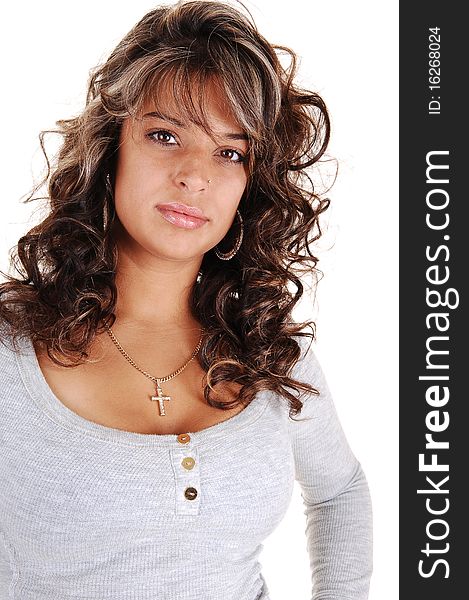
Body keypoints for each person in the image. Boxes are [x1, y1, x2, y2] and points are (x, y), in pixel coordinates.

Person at [0, 1, 373, 598]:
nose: (195, 175)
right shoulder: (10, 350)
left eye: (230, 151)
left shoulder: (269, 352)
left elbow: (339, 492)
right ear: (109, 148)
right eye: (165, 135)